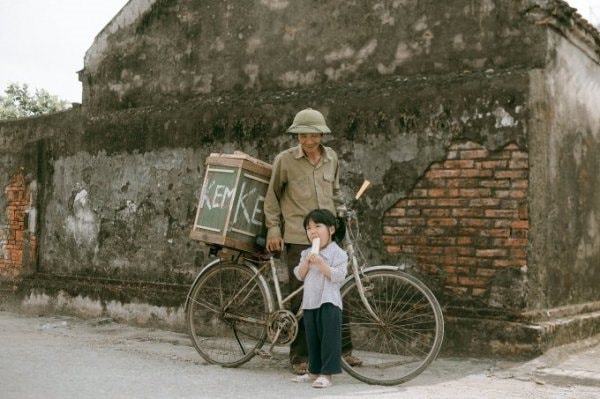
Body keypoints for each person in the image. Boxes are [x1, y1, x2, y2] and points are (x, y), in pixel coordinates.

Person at [264, 107, 361, 375]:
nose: (309, 141)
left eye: (314, 135)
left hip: (329, 238)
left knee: (338, 290)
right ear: (297, 136)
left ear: (322, 135)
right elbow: (272, 197)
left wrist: (342, 214)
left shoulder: (331, 159)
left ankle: (343, 350)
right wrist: (273, 229)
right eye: (303, 135)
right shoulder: (285, 161)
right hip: (298, 237)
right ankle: (300, 356)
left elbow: (336, 191)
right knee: (304, 298)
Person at [290, 209, 347, 388]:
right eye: (308, 228)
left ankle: (327, 374)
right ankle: (313, 371)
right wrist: (306, 263)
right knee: (312, 338)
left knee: (328, 338)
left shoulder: (338, 253)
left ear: (331, 230)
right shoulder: (306, 253)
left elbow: (339, 275)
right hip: (310, 302)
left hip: (329, 302)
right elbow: (299, 275)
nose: (312, 231)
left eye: (318, 226)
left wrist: (322, 264)